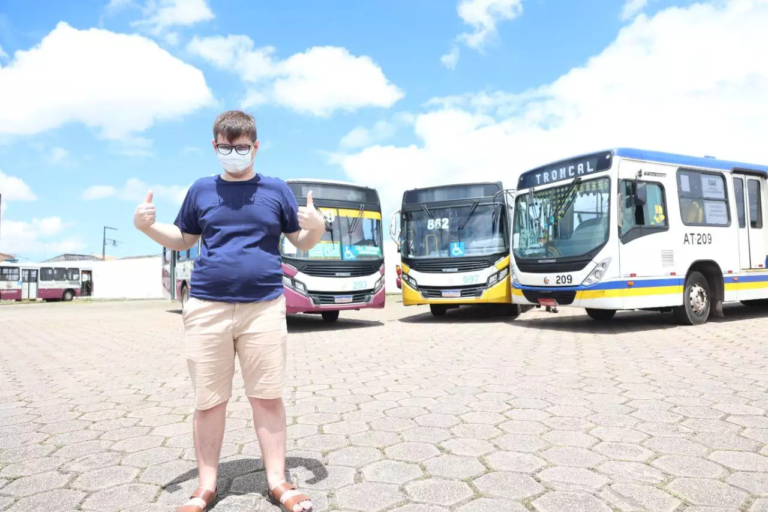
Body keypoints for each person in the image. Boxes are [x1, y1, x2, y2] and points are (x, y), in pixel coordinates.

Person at [133, 110, 325, 512]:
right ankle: (205, 486)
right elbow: (184, 238)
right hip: (206, 307)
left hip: (265, 308)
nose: (233, 153)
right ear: (214, 146)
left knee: (267, 397)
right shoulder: (201, 190)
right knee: (209, 400)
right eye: (226, 146)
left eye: (241, 147)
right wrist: (148, 227)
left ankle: (277, 481)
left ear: (255, 147)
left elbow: (301, 242)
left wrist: (318, 227)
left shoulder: (276, 190)